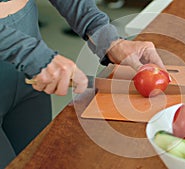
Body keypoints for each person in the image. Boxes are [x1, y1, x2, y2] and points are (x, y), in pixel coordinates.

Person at [0, 0, 165, 168]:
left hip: (28, 49)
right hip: (26, 52)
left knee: (41, 161)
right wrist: (30, 54)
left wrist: (107, 38)